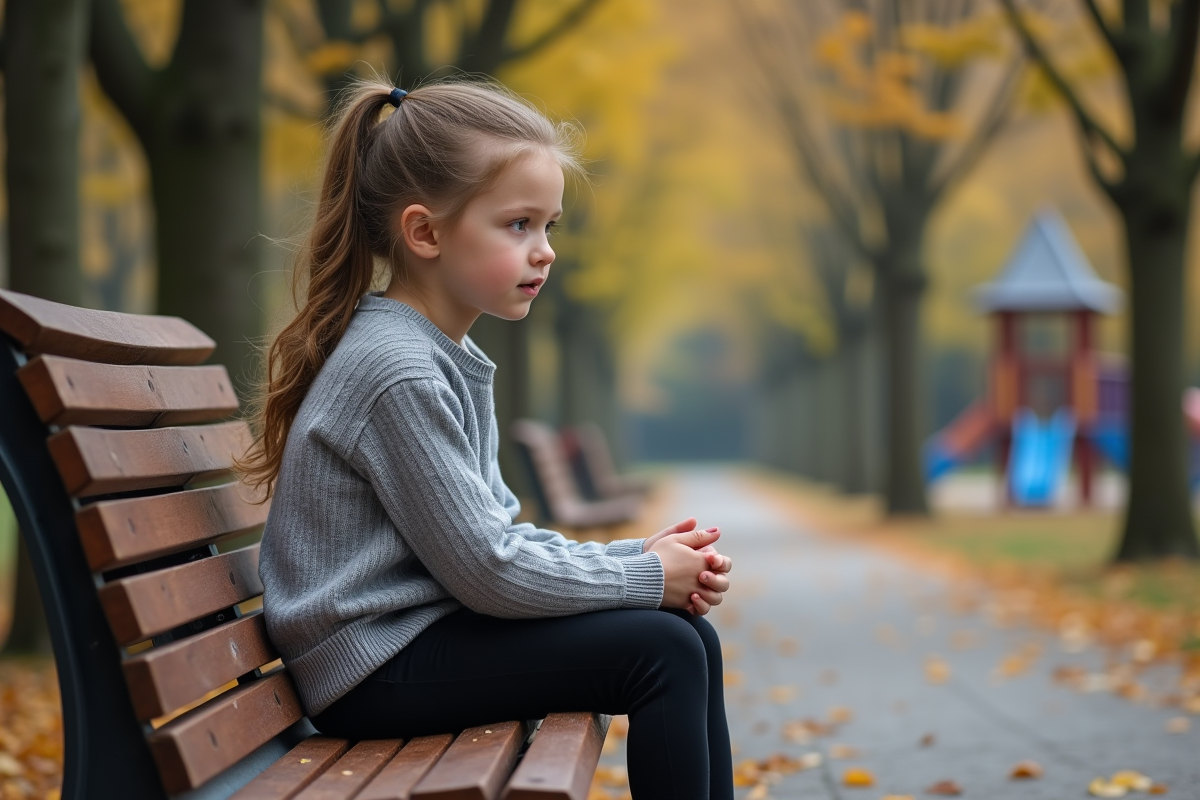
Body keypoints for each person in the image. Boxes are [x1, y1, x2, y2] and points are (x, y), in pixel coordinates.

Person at [239, 77, 734, 799]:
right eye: (518, 225)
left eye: (550, 226)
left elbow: (495, 533)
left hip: (409, 643)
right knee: (662, 651)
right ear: (426, 233)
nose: (545, 251)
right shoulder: (398, 370)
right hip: (371, 668)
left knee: (689, 639)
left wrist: (643, 559)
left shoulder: (438, 353)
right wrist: (648, 578)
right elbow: (489, 571)